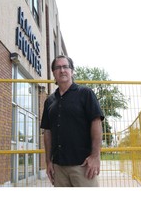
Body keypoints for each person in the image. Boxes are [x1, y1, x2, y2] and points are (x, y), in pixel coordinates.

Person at [40, 55, 104, 187]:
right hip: (58, 168)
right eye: (58, 67)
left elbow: (96, 122)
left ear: (72, 71)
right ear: (53, 73)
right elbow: (47, 132)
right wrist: (48, 162)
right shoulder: (49, 101)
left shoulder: (85, 93)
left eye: (65, 66)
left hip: (83, 166)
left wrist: (95, 156)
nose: (62, 70)